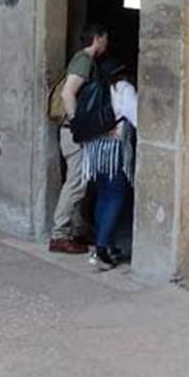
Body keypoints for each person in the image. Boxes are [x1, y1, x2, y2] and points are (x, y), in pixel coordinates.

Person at [48, 23, 109, 254]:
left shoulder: (84, 60)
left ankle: (77, 230)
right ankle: (60, 235)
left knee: (81, 183)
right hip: (74, 132)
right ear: (98, 38)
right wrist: (78, 124)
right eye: (105, 38)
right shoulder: (84, 60)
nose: (107, 43)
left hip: (73, 131)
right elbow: (68, 93)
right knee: (76, 183)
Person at [85, 59, 138, 271]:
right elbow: (136, 118)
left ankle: (106, 244)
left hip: (95, 150)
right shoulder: (124, 88)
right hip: (114, 150)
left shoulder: (95, 87)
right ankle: (101, 249)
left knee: (103, 196)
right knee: (117, 196)